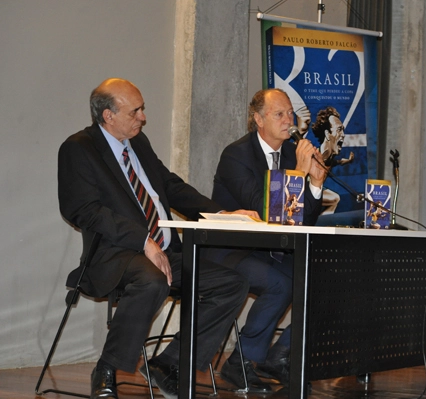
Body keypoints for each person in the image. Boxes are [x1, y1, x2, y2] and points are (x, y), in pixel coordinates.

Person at [58, 78, 258, 399]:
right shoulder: (79, 148)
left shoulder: (138, 142)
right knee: (152, 280)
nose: (143, 117)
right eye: (135, 111)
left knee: (232, 284)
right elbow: (83, 210)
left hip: (165, 251)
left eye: (143, 109)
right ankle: (107, 367)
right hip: (114, 254)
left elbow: (170, 186)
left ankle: (170, 364)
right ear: (108, 115)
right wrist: (143, 241)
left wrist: (223, 214)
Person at [211, 88, 327, 391]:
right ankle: (240, 363)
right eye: (280, 114)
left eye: (290, 113)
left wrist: (315, 185)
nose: (289, 120)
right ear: (258, 119)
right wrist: (300, 175)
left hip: (273, 251)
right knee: (281, 285)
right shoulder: (236, 155)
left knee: (320, 283)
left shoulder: (291, 153)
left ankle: (280, 356)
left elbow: (305, 219)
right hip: (234, 249)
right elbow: (264, 208)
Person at [310, 106, 355, 214]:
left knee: (334, 200)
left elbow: (331, 163)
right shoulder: (316, 155)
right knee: (334, 199)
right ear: (327, 134)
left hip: (317, 189)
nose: (343, 135)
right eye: (339, 130)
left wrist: (345, 161)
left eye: (343, 130)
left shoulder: (329, 156)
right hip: (307, 191)